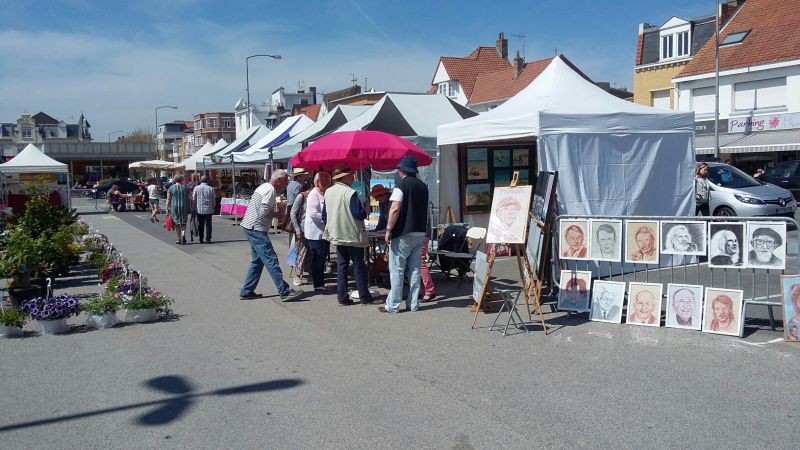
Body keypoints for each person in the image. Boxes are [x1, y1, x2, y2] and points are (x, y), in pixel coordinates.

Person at [239, 169, 303, 302]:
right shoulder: (270, 190)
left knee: (258, 261)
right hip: (256, 228)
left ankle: (247, 290)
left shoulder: (264, 187)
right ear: (278, 181)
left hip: (250, 226)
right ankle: (284, 291)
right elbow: (263, 212)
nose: (285, 185)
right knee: (270, 259)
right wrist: (277, 214)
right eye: (285, 182)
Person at [380, 156, 429, 314]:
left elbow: (395, 208)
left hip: (403, 232)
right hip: (419, 231)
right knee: (414, 269)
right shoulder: (423, 186)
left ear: (402, 170)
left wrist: (388, 229)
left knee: (397, 269)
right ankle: (413, 303)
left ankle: (393, 305)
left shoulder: (401, 186)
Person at [323, 165, 373, 306]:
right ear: (344, 177)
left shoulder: (328, 192)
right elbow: (359, 214)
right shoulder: (350, 193)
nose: (353, 178)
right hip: (351, 233)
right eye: (351, 175)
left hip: (337, 233)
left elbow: (324, 215)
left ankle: (342, 295)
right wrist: (365, 210)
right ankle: (364, 295)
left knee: (342, 265)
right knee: (358, 265)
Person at [304, 171, 331, 291]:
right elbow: (313, 213)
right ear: (316, 182)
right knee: (317, 258)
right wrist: (327, 219)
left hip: (324, 231)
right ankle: (318, 284)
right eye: (322, 180)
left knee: (322, 257)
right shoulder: (313, 194)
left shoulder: (326, 193)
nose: (325, 182)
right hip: (315, 232)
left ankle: (320, 282)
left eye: (327, 179)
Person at [289, 179, 312, 286]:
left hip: (310, 228)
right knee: (301, 252)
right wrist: (297, 228)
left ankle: (308, 274)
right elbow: (293, 213)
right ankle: (297, 275)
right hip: (301, 228)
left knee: (309, 252)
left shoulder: (310, 198)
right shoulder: (300, 197)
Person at [166, 174, 190, 245]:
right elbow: (189, 199)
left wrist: (167, 208)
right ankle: (183, 234)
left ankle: (179, 238)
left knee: (176, 223)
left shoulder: (171, 188)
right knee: (183, 222)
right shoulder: (185, 188)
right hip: (184, 206)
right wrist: (190, 207)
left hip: (175, 206)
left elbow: (168, 199)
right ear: (181, 180)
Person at [192, 175, 216, 244]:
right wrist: (213, 207)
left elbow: (194, 199)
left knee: (200, 224)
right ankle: (208, 238)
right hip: (208, 209)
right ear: (207, 181)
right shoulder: (211, 189)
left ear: (200, 180)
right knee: (209, 225)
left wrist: (193, 207)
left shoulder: (196, 188)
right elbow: (213, 200)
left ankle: (201, 238)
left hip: (199, 209)